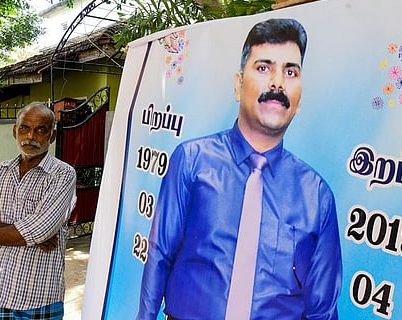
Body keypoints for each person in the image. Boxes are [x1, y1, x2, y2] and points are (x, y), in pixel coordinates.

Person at [137, 18, 342, 319]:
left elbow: (322, 308)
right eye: (263, 67)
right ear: (238, 85)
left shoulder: (317, 196)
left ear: (299, 98)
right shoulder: (192, 161)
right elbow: (159, 255)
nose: (277, 82)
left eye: (290, 71)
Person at [0, 102, 76, 320]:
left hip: (39, 296)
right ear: (15, 131)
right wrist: (29, 234)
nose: (31, 136)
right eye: (24, 128)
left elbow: (39, 230)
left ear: (52, 137)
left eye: (41, 130)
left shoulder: (63, 175)